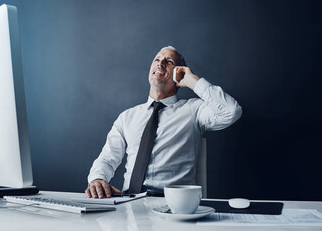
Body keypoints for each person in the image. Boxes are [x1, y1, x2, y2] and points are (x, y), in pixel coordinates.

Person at [85, 46, 242, 198]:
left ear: (179, 73)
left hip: (173, 204)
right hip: (128, 202)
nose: (160, 63)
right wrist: (97, 179)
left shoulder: (193, 110)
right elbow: (107, 158)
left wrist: (193, 81)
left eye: (169, 62)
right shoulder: (127, 117)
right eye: (157, 59)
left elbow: (231, 111)